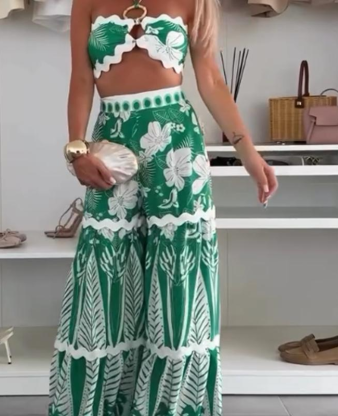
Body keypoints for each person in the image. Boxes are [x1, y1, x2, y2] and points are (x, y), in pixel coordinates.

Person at [49, 0, 278, 415]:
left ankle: (171, 406)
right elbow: (81, 78)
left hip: (177, 146)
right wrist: (76, 149)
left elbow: (210, 79)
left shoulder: (195, 1)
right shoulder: (87, 2)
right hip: (111, 143)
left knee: (178, 270)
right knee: (105, 268)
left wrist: (248, 153)